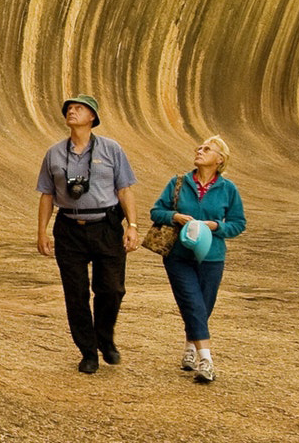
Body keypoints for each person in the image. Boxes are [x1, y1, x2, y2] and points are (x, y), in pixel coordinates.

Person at [36, 94, 141, 374]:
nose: (72, 111)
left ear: (92, 117)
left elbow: (124, 190)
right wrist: (42, 232)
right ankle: (88, 351)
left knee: (112, 289)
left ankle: (105, 338)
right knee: (76, 294)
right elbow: (47, 194)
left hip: (106, 226)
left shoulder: (111, 149)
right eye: (69, 108)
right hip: (69, 228)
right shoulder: (54, 153)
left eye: (79, 108)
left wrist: (132, 225)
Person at [149, 135, 246, 383]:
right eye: (199, 148)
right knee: (192, 303)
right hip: (178, 256)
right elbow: (156, 211)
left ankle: (190, 349)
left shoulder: (228, 189)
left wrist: (216, 227)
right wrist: (175, 217)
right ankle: (206, 360)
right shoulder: (178, 182)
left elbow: (238, 224)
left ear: (220, 159)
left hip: (212, 257)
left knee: (203, 307)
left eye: (207, 149)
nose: (200, 151)